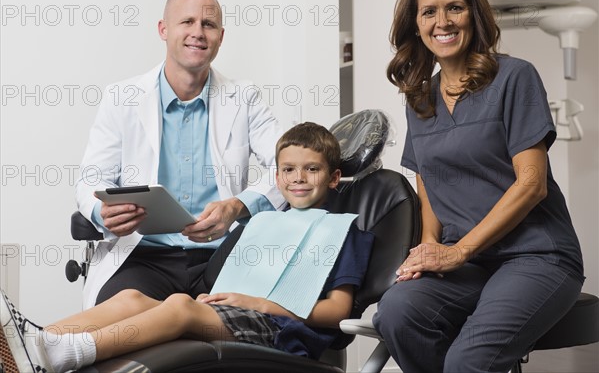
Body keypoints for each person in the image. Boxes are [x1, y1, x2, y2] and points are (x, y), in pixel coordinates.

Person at [1, 122, 374, 373]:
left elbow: (337, 310)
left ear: (335, 177)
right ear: (275, 177)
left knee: (179, 304)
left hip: (281, 330)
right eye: (289, 170)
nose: (298, 179)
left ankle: (62, 354)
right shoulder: (261, 222)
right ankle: (33, 342)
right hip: (237, 315)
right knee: (131, 297)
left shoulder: (343, 231)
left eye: (311, 169)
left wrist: (259, 303)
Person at [372, 0, 585, 373]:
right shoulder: (420, 99)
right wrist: (430, 247)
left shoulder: (514, 77)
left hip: (535, 256)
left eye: (455, 7)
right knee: (396, 311)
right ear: (416, 25)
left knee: (469, 361)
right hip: (468, 263)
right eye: (429, 12)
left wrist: (457, 252)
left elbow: (531, 184)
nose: (443, 22)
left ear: (474, 13)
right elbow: (427, 184)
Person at [75, 0, 285, 308]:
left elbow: (289, 168)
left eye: (208, 24)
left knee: (252, 320)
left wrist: (238, 206)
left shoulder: (244, 98)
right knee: (123, 312)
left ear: (221, 36)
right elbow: (91, 179)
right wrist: (102, 213)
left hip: (221, 259)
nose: (197, 33)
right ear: (163, 29)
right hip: (144, 257)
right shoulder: (122, 97)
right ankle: (46, 348)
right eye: (187, 21)